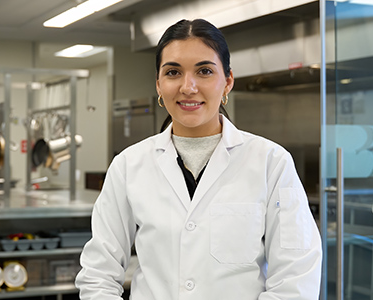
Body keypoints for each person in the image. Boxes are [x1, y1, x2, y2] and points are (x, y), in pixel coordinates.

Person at [75, 19, 322, 299]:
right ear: (159, 84)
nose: (188, 87)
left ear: (227, 81)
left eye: (204, 71)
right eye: (173, 72)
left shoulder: (271, 162)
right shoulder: (129, 165)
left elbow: (296, 278)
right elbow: (98, 273)